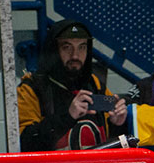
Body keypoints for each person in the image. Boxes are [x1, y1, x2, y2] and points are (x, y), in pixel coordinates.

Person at [17, 19, 129, 151]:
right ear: (54, 50)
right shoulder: (31, 88)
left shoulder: (95, 83)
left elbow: (113, 144)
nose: (75, 55)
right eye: (67, 47)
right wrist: (68, 117)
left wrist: (117, 124)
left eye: (82, 47)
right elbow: (25, 144)